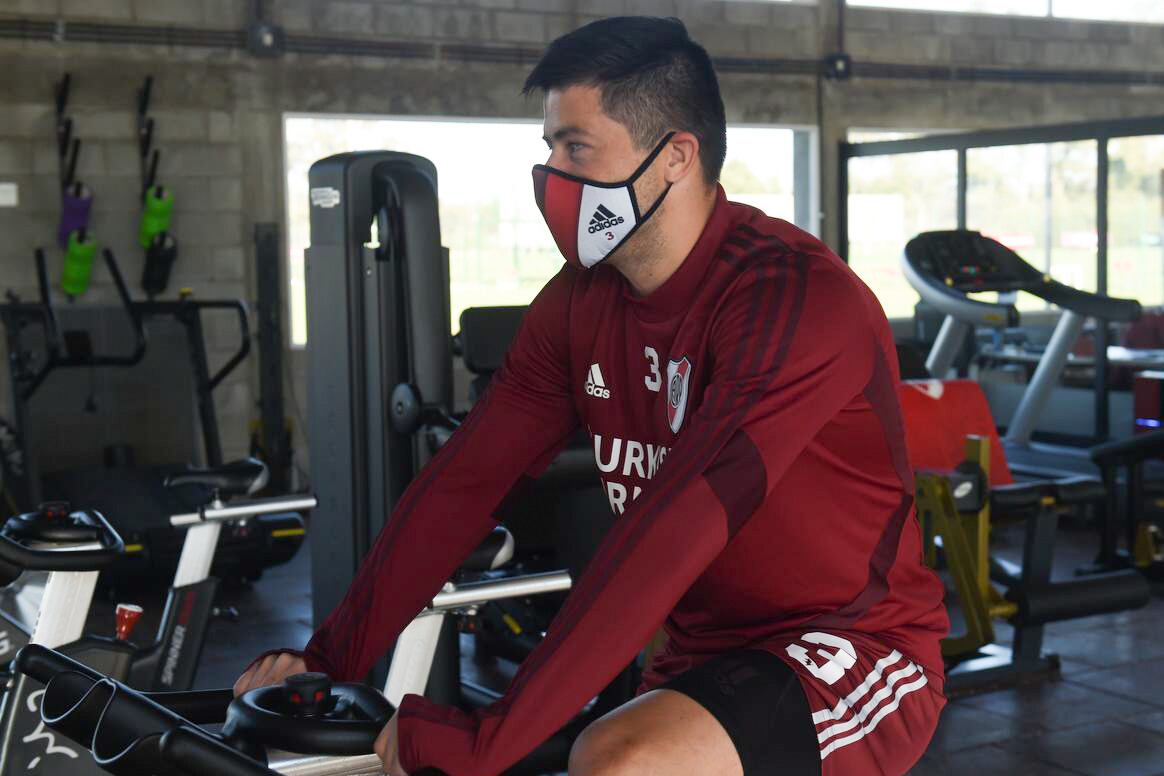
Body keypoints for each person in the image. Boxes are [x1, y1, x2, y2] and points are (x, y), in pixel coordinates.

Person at [237, 16, 949, 776]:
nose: (551, 175)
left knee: (615, 760)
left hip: (849, 643)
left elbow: (679, 522)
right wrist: (326, 659)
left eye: (575, 148)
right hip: (704, 651)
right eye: (548, 147)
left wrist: (489, 739)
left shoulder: (792, 299)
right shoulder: (579, 302)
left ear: (675, 157)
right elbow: (466, 481)